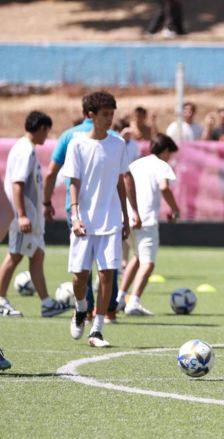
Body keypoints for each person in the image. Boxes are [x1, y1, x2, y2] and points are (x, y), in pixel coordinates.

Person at [44, 94, 135, 324]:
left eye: (112, 114)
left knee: (107, 273)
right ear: (91, 116)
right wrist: (75, 215)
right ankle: (82, 306)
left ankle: (98, 327)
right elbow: (72, 181)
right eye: (105, 114)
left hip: (110, 219)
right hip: (82, 219)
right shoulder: (75, 142)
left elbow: (120, 180)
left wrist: (126, 216)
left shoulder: (118, 144)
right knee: (80, 276)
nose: (110, 119)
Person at [0, 111, 71, 318]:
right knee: (14, 255)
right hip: (25, 216)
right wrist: (22, 215)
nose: (46, 136)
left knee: (37, 255)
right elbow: (17, 184)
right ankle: (1, 299)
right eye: (47, 131)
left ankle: (47, 303)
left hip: (33, 216)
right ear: (41, 128)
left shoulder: (28, 149)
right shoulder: (24, 150)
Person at [117, 134, 181, 316]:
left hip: (129, 218)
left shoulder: (137, 163)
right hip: (146, 220)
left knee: (136, 257)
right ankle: (133, 302)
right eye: (170, 154)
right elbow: (164, 187)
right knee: (148, 263)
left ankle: (120, 298)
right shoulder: (161, 165)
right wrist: (175, 209)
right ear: (166, 151)